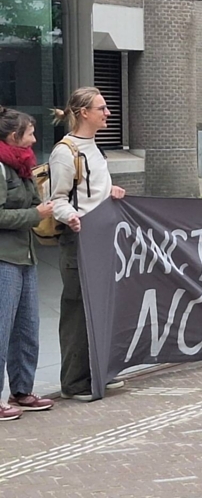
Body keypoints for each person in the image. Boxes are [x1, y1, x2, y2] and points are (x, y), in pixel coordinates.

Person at [48, 87, 127, 402]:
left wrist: (113, 191)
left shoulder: (95, 149)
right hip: (79, 240)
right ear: (84, 113)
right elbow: (56, 200)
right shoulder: (64, 152)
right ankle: (75, 380)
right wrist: (72, 217)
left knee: (102, 304)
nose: (107, 113)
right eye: (101, 108)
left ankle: (97, 372)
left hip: (101, 239)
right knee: (78, 309)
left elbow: (93, 191)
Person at [0, 107, 56, 419]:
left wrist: (41, 207)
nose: (34, 140)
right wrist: (37, 214)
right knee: (1, 328)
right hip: (4, 257)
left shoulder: (23, 167)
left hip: (26, 255)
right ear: (13, 137)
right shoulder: (1, 168)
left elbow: (35, 203)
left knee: (26, 327)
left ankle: (22, 390)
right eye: (30, 133)